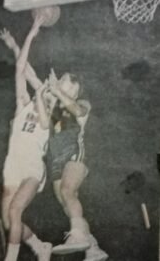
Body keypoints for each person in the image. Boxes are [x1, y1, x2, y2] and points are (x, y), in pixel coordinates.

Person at [0, 15, 53, 261]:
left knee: (15, 210)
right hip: (13, 164)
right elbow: (22, 69)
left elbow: (43, 118)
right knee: (11, 224)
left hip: (32, 168)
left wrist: (43, 93)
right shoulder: (23, 105)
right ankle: (39, 245)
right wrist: (29, 34)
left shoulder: (48, 116)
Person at [48, 71, 109, 261]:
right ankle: (92, 248)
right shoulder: (54, 106)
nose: (59, 81)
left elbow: (77, 111)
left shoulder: (82, 103)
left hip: (74, 154)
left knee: (68, 191)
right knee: (67, 204)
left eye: (64, 79)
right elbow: (33, 80)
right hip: (55, 160)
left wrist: (57, 90)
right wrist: (17, 49)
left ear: (74, 88)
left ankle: (77, 236)